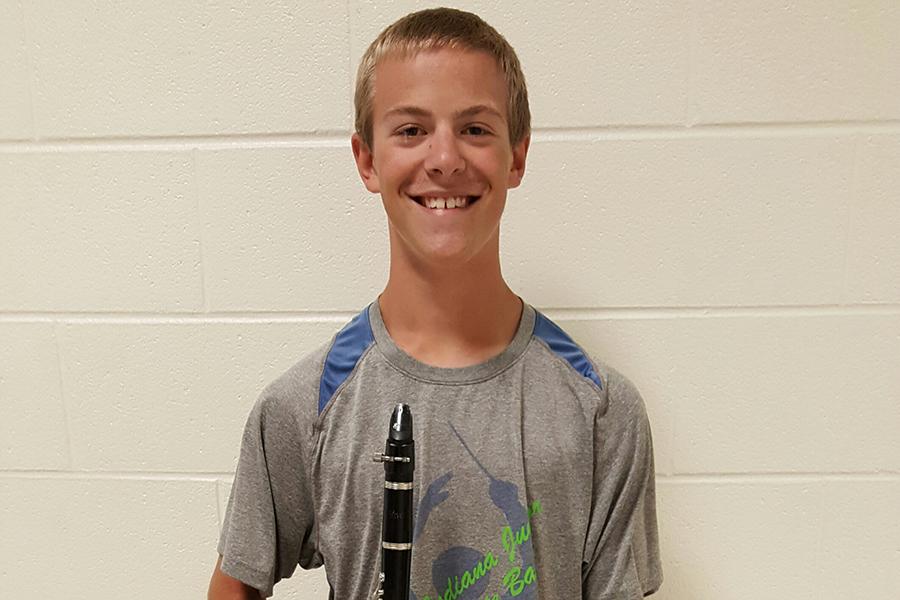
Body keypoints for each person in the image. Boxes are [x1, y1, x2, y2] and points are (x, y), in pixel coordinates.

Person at [208, 7, 662, 600]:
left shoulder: (602, 412)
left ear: (516, 155)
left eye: (475, 128)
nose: (445, 158)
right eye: (410, 130)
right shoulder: (303, 407)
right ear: (367, 160)